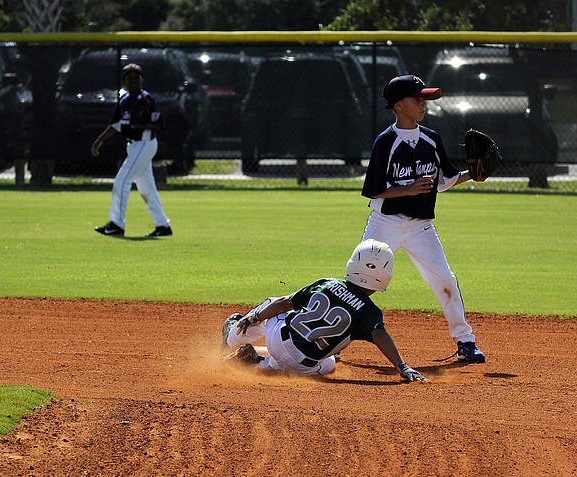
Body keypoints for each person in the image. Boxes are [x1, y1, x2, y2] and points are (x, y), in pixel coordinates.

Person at [358, 74, 486, 364]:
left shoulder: (431, 139)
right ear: (399, 105)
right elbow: (374, 190)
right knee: (360, 283)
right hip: (385, 224)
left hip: (421, 228)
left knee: (444, 280)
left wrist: (474, 175)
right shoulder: (385, 142)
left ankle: (466, 341)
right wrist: (409, 189)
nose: (423, 104)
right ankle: (334, 341)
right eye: (417, 99)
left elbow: (444, 180)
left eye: (424, 99)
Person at [221, 239, 428, 382]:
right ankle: (256, 363)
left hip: (277, 340)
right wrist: (402, 366)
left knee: (275, 302)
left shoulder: (326, 283)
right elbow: (380, 335)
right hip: (304, 366)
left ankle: (233, 338)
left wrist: (255, 317)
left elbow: (284, 303)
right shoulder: (370, 312)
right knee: (329, 362)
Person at [92, 63, 172, 237]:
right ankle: (163, 225)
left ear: (142, 80)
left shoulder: (147, 100)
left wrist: (142, 125)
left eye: (137, 78)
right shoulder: (124, 100)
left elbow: (159, 125)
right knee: (146, 188)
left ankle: (116, 224)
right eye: (130, 78)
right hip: (134, 146)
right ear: (124, 81)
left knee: (121, 181)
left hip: (144, 144)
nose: (133, 81)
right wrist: (100, 140)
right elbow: (116, 125)